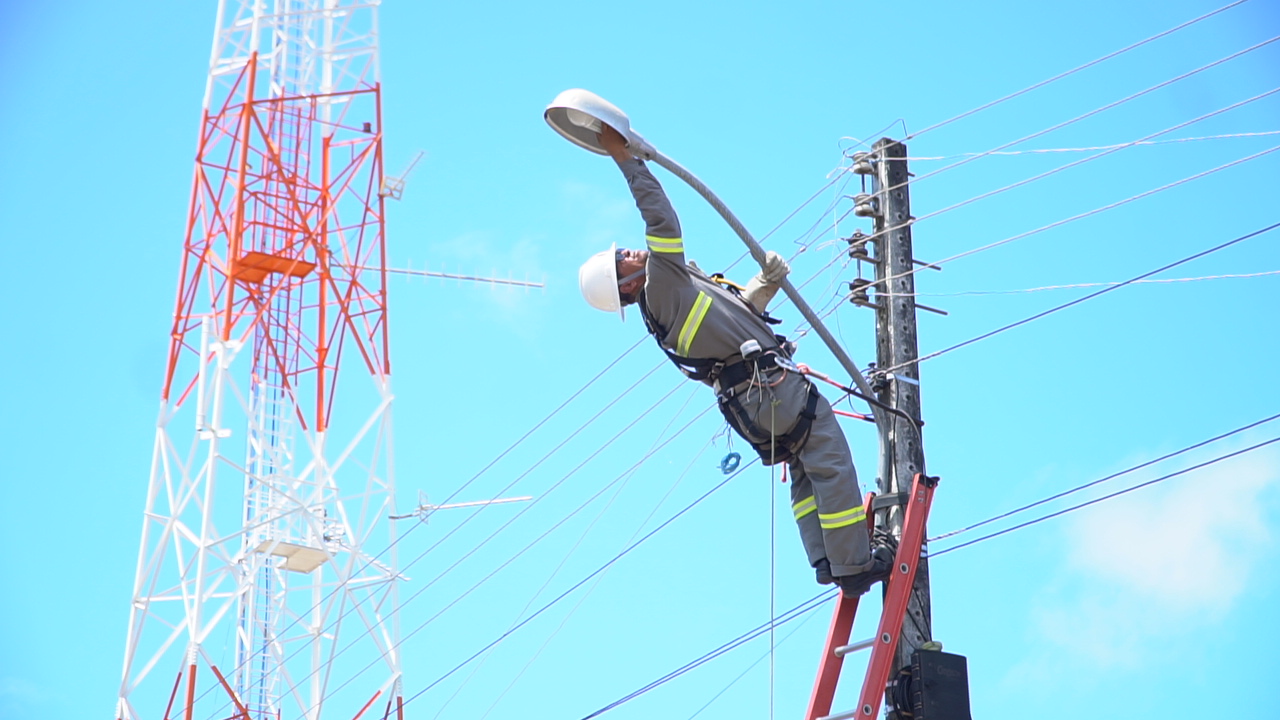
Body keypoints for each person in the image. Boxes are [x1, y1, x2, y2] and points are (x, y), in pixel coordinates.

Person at [577, 125, 893, 597]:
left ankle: (827, 560)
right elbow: (662, 221)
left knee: (806, 470)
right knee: (829, 458)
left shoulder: (670, 296)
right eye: (621, 258)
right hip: (770, 392)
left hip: (755, 400)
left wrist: (760, 290)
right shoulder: (661, 286)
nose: (628, 251)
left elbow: (730, 324)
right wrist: (626, 159)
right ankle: (853, 566)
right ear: (624, 285)